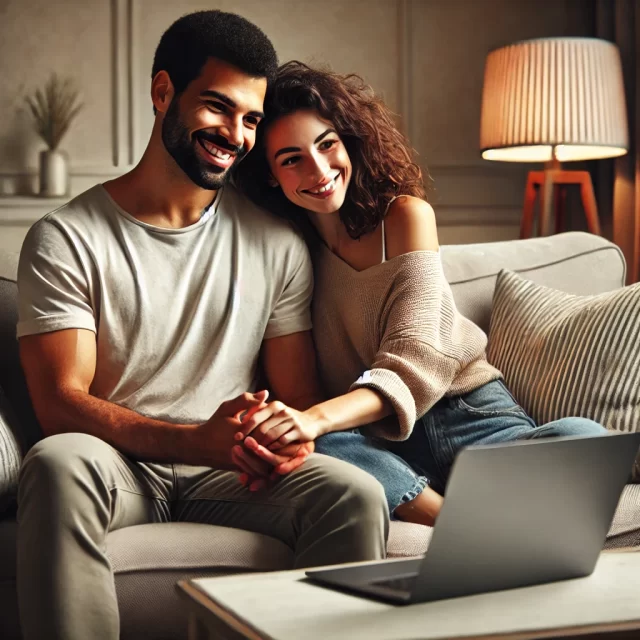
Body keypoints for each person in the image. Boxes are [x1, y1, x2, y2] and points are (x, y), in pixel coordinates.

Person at [15, 15, 389, 640]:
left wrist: (274, 435)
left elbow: (296, 399)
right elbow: (58, 405)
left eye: (251, 119)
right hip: (119, 467)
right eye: (218, 109)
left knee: (354, 492)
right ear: (164, 92)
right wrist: (196, 440)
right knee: (57, 462)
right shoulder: (65, 239)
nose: (236, 135)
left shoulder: (276, 243)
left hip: (230, 469)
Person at [234, 61, 608, 524]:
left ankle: (468, 523)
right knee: (317, 444)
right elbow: (301, 400)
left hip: (472, 418)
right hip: (377, 442)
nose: (319, 169)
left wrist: (316, 418)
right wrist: (304, 425)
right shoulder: (288, 251)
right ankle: (463, 524)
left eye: (327, 144)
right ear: (271, 175)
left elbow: (416, 357)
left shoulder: (405, 217)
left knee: (584, 435)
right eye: (291, 159)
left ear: (348, 141)